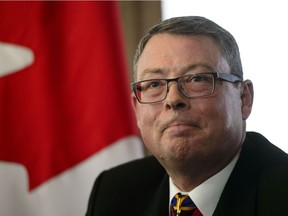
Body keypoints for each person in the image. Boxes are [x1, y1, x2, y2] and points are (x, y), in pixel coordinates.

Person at [85, 16, 288, 216]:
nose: (173, 99)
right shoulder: (114, 192)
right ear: (137, 109)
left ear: (244, 99)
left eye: (197, 79)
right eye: (154, 84)